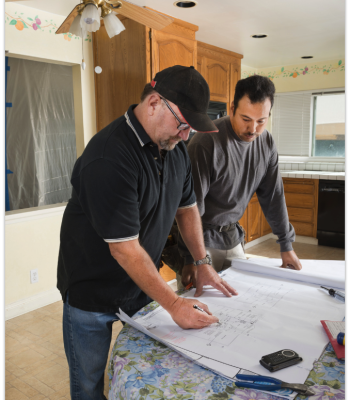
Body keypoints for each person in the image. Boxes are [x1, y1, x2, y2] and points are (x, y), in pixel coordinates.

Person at [57, 65, 237, 400]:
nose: (186, 135)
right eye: (183, 123)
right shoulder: (109, 156)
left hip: (139, 288)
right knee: (88, 385)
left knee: (152, 370)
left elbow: (187, 210)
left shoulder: (176, 150)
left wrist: (201, 261)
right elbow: (123, 249)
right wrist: (173, 304)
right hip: (90, 292)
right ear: (154, 102)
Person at [178, 74, 302, 290]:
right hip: (200, 241)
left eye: (261, 121)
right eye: (246, 119)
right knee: (201, 309)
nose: (253, 129)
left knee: (239, 301)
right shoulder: (205, 143)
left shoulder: (267, 143)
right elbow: (190, 207)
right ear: (232, 107)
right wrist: (191, 259)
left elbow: (273, 197)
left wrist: (286, 244)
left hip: (233, 237)